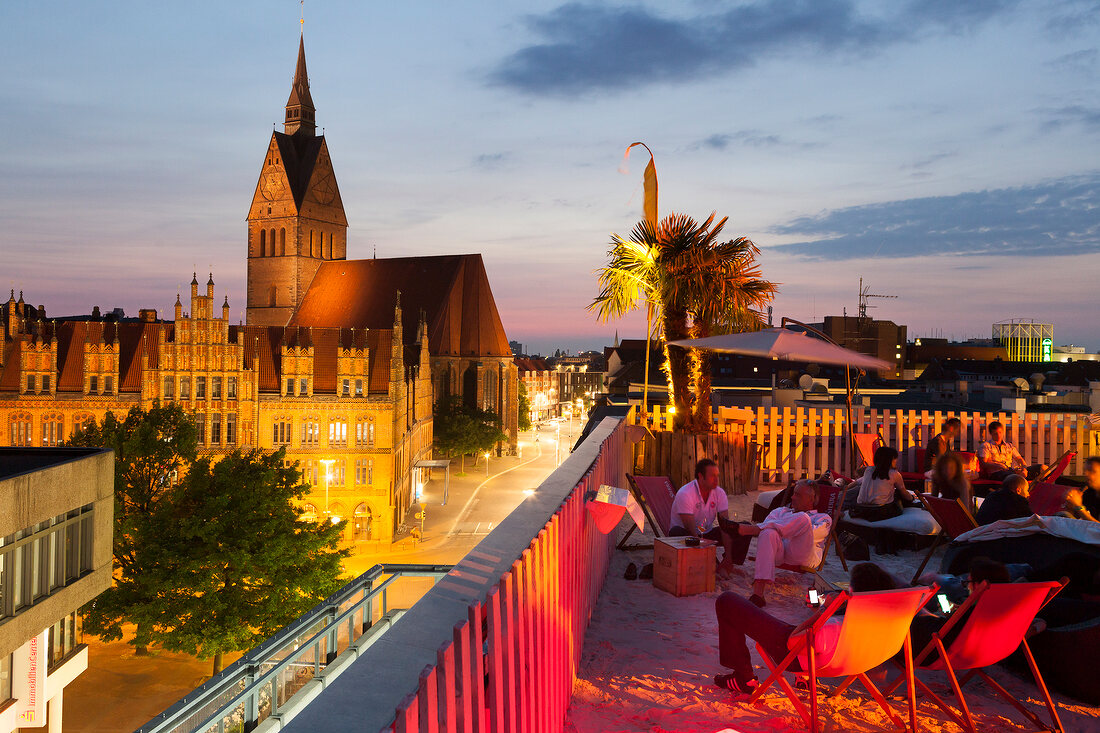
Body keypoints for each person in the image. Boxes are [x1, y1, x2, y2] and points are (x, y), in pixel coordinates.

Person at [713, 561, 897, 697]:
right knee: (800, 612)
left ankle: (744, 678)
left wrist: (823, 612)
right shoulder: (888, 623)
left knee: (727, 601)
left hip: (796, 653)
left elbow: (793, 643)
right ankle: (805, 679)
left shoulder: (833, 627)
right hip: (854, 658)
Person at [720, 480, 832, 607]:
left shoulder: (823, 518)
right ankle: (758, 594)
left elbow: (813, 535)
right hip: (779, 553)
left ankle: (748, 530)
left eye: (798, 495)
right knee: (768, 533)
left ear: (812, 499)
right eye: (794, 494)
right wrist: (782, 526)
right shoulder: (780, 511)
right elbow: (766, 529)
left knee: (803, 518)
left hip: (803, 555)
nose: (792, 497)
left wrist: (791, 524)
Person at [669, 458, 738, 576]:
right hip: (687, 534)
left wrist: (728, 557)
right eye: (712, 476)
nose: (716, 480)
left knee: (740, 528)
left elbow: (725, 525)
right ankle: (713, 563)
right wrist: (710, 557)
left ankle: (727, 563)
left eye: (717, 475)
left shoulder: (719, 493)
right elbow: (690, 529)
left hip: (706, 533)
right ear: (701, 476)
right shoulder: (686, 493)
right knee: (677, 532)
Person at [850, 446, 917, 522]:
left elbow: (856, 483)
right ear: (891, 460)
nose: (896, 461)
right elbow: (903, 492)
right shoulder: (894, 473)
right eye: (895, 458)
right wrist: (912, 498)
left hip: (860, 509)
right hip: (879, 511)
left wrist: (844, 489)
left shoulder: (868, 470)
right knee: (898, 493)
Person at [978, 421, 1047, 481]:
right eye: (995, 433)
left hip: (1010, 471)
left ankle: (1041, 490)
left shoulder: (1009, 446)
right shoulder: (986, 446)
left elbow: (1019, 459)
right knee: (1014, 476)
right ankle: (1021, 485)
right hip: (996, 474)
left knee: (1043, 468)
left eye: (1000, 432)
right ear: (991, 434)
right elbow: (983, 463)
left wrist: (1024, 469)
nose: (998, 435)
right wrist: (997, 466)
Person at [1062, 456, 1100, 522]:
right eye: (1085, 470)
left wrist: (1078, 505)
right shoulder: (1089, 492)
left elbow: (1098, 528)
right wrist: (1071, 506)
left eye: (1092, 471)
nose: (1086, 474)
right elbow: (1078, 517)